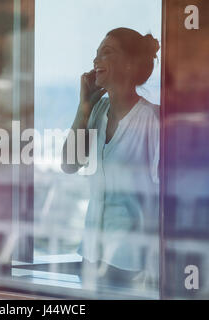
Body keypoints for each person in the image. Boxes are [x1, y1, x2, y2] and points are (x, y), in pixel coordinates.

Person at [61, 28, 160, 290]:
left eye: (106, 53)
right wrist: (84, 107)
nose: (95, 61)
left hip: (133, 265)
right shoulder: (97, 112)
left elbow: (167, 198)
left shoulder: (152, 120)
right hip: (91, 257)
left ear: (129, 64)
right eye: (96, 54)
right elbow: (69, 164)